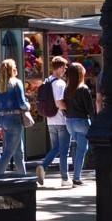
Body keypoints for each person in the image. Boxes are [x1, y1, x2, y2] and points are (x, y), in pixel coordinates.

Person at [0, 59, 29, 178]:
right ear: (11, 70)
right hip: (15, 118)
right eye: (15, 67)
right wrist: (28, 106)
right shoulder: (16, 83)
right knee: (9, 152)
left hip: (4, 120)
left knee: (18, 151)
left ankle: (22, 177)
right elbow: (22, 103)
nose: (16, 69)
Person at [36, 56, 71, 186]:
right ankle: (64, 178)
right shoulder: (60, 84)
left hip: (50, 120)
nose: (65, 70)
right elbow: (59, 103)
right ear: (60, 68)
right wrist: (70, 108)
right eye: (65, 68)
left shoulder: (47, 81)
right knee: (64, 150)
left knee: (56, 147)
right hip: (61, 120)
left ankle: (43, 167)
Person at [60, 62, 93, 186]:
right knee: (82, 149)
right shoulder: (83, 89)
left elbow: (64, 106)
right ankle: (77, 178)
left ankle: (76, 175)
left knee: (79, 147)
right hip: (82, 121)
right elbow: (90, 108)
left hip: (70, 122)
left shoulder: (67, 89)